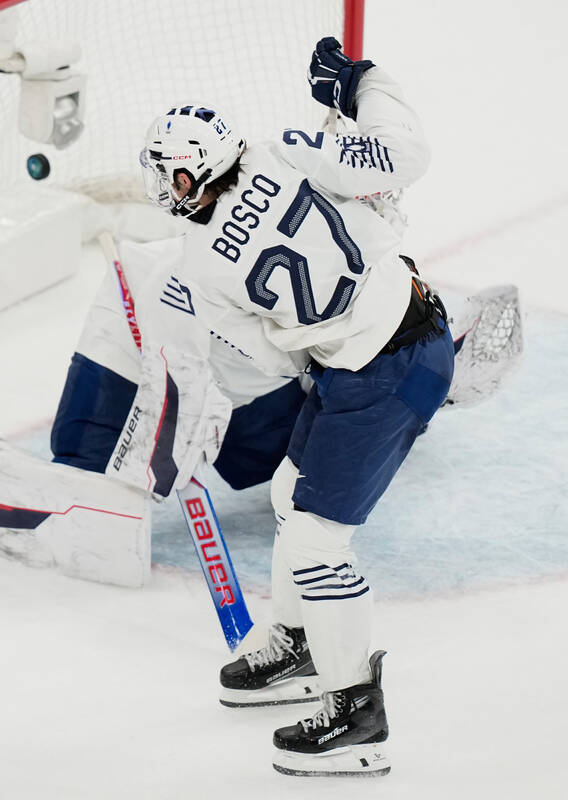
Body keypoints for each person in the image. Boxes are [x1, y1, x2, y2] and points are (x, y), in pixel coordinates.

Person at [124, 38, 452, 777]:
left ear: (196, 172)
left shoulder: (199, 269)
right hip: (397, 335)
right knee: (287, 493)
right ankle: (301, 642)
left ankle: (356, 710)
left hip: (386, 368)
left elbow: (275, 360)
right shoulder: (291, 150)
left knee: (315, 540)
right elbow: (405, 153)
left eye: (169, 170)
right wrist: (363, 82)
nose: (162, 184)